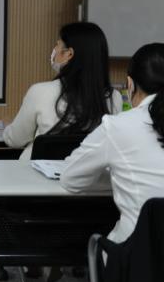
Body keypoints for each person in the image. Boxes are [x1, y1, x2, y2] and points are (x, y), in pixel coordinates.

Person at [61, 43, 164, 244]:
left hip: (136, 254)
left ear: (130, 84)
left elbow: (71, 179)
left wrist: (117, 176)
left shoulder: (118, 126)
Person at [4, 22, 123, 160]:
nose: (54, 50)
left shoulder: (40, 92)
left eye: (57, 45)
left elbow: (15, 140)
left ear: (69, 54)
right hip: (88, 173)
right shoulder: (114, 98)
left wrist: (8, 126)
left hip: (37, 172)